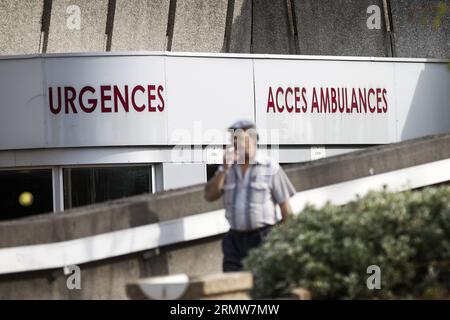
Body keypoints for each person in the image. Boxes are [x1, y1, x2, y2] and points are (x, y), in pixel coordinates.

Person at [204, 119, 296, 272]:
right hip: (234, 240)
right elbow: (209, 196)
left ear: (253, 139)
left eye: (239, 139)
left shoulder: (270, 167)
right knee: (231, 288)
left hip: (263, 238)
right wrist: (222, 170)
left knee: (262, 286)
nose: (235, 144)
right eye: (233, 139)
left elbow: (286, 210)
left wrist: (286, 242)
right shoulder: (228, 169)